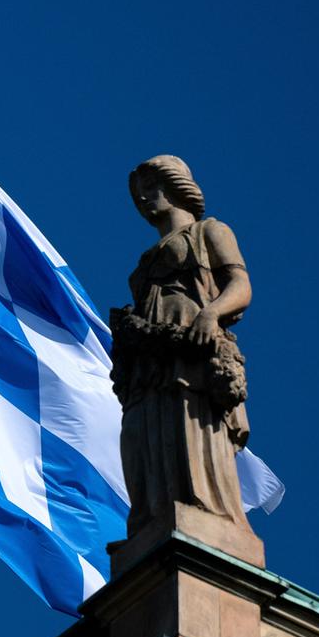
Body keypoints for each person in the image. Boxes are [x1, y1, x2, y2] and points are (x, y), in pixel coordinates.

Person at [110, 155, 254, 543]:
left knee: (191, 434)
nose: (143, 200)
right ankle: (152, 523)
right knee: (145, 440)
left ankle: (208, 520)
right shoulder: (146, 258)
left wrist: (211, 314)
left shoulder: (209, 231)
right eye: (138, 194)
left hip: (192, 354)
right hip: (150, 364)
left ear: (176, 186)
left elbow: (241, 288)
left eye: (150, 188)